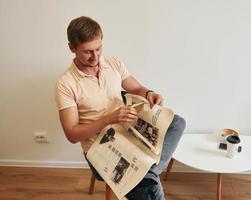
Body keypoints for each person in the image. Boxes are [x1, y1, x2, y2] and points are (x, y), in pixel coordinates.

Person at [55, 16, 186, 200]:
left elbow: (136, 88)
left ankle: (148, 171)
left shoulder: (113, 64)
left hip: (129, 130)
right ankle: (148, 175)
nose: (95, 57)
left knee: (177, 123)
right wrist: (109, 119)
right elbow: (72, 134)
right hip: (101, 144)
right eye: (88, 52)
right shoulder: (65, 84)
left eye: (99, 48)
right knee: (151, 193)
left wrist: (149, 93)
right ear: (71, 48)